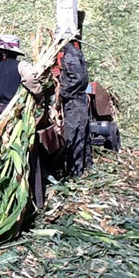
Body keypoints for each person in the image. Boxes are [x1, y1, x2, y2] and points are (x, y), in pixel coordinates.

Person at [0, 34, 44, 206]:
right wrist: (39, 95)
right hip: (18, 116)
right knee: (28, 156)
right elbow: (30, 79)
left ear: (0, 53)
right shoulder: (21, 66)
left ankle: (0, 202)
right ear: (12, 52)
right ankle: (35, 202)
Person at [57, 40, 92, 177]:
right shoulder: (75, 52)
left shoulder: (69, 54)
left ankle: (74, 172)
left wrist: (62, 91)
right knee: (82, 132)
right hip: (79, 98)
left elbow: (77, 78)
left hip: (74, 100)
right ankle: (86, 165)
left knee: (74, 134)